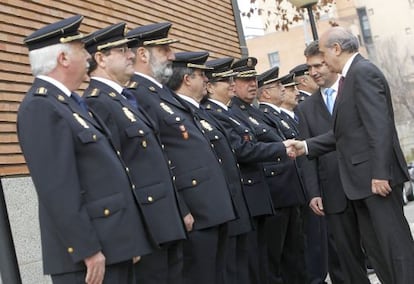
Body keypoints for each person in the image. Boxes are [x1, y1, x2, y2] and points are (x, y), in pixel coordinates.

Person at [17, 15, 154, 284]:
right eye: (81, 50)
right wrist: (87, 249)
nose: (89, 57)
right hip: (90, 257)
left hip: (114, 243)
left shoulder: (69, 103)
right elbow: (57, 188)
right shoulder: (40, 107)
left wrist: (129, 238)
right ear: (63, 59)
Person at [291, 27, 414, 284]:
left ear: (336, 49)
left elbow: (379, 126)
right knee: (379, 253)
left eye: (323, 55)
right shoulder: (351, 78)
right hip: (361, 185)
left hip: (375, 181)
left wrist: (381, 173)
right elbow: (346, 132)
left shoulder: (362, 73)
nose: (323, 62)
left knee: (395, 249)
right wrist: (305, 146)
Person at [126, 26, 236, 284]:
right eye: (164, 49)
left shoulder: (160, 94)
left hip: (210, 207)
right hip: (194, 209)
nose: (172, 56)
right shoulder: (137, 95)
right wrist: (181, 207)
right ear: (143, 54)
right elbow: (155, 157)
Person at [82, 22, 187, 284]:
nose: (131, 54)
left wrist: (179, 208)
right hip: (146, 224)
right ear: (101, 59)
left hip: (164, 218)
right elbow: (115, 173)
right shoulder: (97, 102)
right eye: (121, 50)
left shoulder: (123, 99)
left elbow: (157, 158)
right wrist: (130, 234)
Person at [202, 57, 297, 284]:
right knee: (256, 265)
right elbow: (242, 149)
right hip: (246, 196)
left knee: (264, 261)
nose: (232, 84)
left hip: (257, 197)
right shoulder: (213, 113)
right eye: (226, 81)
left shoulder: (228, 112)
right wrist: (281, 147)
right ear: (211, 87)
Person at [230, 58, 307, 284]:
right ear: (234, 84)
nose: (252, 84)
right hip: (272, 194)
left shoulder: (255, 112)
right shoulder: (235, 112)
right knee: (273, 261)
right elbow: (248, 149)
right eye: (245, 80)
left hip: (286, 192)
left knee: (295, 256)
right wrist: (281, 148)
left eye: (253, 79)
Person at [296, 40, 349, 284]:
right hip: (332, 192)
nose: (314, 72)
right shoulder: (306, 108)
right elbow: (308, 154)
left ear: (331, 62)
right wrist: (313, 193)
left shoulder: (353, 89)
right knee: (341, 257)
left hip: (365, 183)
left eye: (318, 65)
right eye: (309, 68)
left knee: (377, 248)